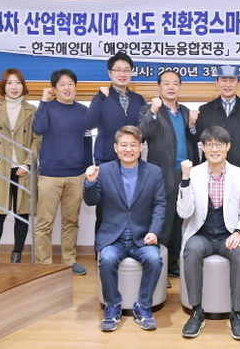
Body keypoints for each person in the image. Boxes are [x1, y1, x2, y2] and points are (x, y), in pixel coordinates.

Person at [84, 126, 166, 332]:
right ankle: (112, 306)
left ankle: (143, 306)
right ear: (116, 148)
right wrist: (90, 183)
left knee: (155, 260)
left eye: (133, 145)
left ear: (141, 147)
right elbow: (91, 201)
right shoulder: (104, 171)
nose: (128, 149)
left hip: (142, 237)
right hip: (113, 238)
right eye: (124, 145)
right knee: (107, 260)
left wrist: (154, 231)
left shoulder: (154, 172)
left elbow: (160, 204)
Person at [177, 126, 240, 340]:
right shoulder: (194, 173)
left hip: (228, 234)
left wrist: (238, 233)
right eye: (209, 144)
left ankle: (236, 313)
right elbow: (184, 213)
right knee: (192, 250)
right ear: (202, 148)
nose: (214, 149)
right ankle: (196, 311)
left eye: (219, 144)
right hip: (201, 234)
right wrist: (185, 179)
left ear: (228, 147)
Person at [139, 70, 199, 278]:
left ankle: (172, 264)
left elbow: (194, 139)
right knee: (162, 222)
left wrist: (192, 126)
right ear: (159, 87)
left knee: (178, 222)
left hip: (184, 173)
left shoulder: (185, 111)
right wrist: (153, 111)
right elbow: (142, 133)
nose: (171, 87)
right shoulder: (149, 109)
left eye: (175, 83)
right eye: (167, 83)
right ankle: (158, 267)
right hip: (162, 172)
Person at [32, 69, 93, 275]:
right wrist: (43, 101)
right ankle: (44, 266)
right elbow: (38, 128)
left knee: (71, 222)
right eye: (62, 84)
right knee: (44, 223)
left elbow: (87, 141)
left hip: (77, 175)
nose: (67, 88)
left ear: (75, 87)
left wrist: (88, 171)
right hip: (50, 175)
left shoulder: (84, 111)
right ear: (54, 88)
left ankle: (69, 261)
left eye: (70, 84)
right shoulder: (47, 108)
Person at [0, 68, 41, 263]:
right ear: (3, 86)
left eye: (17, 82)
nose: (14, 87)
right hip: (1, 166)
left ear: (23, 85)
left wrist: (28, 163)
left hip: (22, 167)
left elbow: (36, 139)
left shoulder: (32, 110)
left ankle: (17, 255)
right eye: (9, 83)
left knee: (21, 213)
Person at [84, 51, 146, 232]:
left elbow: (144, 129)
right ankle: (102, 248)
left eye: (126, 70)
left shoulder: (139, 99)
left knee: (131, 207)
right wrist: (99, 98)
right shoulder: (102, 97)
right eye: (118, 70)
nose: (122, 74)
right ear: (110, 73)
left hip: (132, 161)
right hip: (106, 160)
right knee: (104, 209)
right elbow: (88, 124)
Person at [195, 66, 240, 171]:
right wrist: (191, 125)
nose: (228, 85)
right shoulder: (205, 110)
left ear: (239, 84)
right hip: (211, 170)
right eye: (224, 80)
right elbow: (197, 139)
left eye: (232, 80)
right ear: (217, 83)